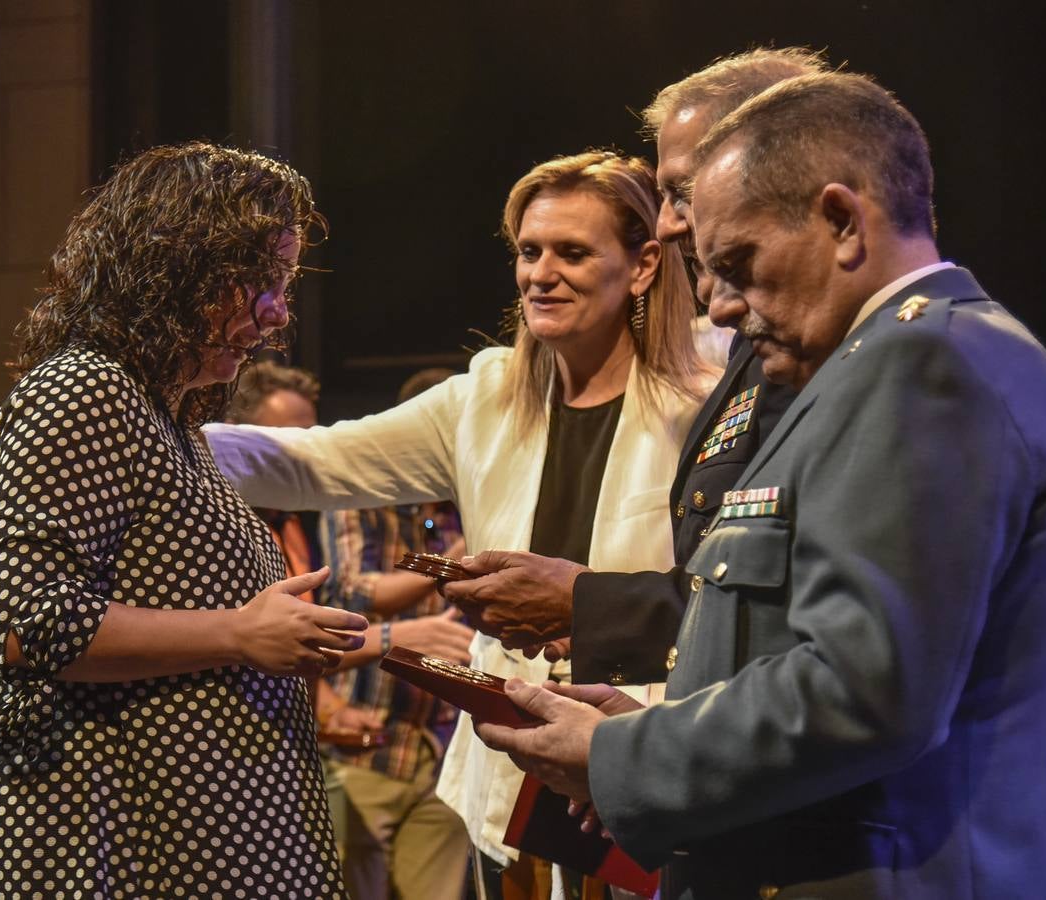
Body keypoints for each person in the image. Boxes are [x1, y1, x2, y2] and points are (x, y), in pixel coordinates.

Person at [475, 72, 1046, 899]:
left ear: (841, 220)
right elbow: (788, 641)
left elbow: (863, 693)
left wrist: (622, 757)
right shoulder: (871, 367)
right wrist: (664, 728)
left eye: (736, 263)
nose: (716, 304)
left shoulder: (920, 364)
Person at [204, 150, 716, 897]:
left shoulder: (701, 406)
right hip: (506, 779)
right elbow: (310, 464)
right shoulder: (483, 398)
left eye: (572, 252)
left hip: (633, 772)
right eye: (528, 251)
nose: (541, 272)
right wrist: (141, 434)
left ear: (642, 266)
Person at [0, 141, 369, 898]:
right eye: (256, 284)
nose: (275, 313)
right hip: (106, 854)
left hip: (191, 847)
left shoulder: (174, 426)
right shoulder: (82, 393)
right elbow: (32, 624)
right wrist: (239, 634)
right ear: (173, 271)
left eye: (282, 285)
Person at [443, 49, 823, 687]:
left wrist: (584, 605)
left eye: (681, 191)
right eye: (528, 251)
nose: (671, 220)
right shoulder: (756, 362)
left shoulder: (899, 367)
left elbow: (819, 643)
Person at [317, 367, 472, 900]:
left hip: (446, 751)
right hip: (372, 748)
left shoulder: (459, 511)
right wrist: (447, 563)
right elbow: (359, 593)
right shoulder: (362, 501)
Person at [227, 361, 325, 600]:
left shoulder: (293, 518)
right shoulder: (223, 527)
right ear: (231, 436)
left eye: (309, 436)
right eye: (287, 437)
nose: (304, 453)